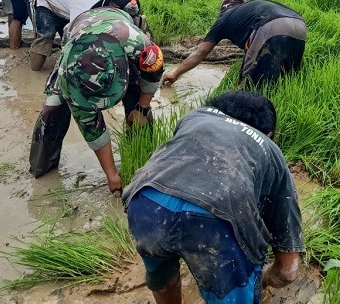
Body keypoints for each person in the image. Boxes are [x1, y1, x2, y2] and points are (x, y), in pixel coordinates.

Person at [123, 91, 303, 304]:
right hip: (213, 223)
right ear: (269, 133)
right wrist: (258, 279)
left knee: (160, 271)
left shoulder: (195, 117)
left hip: (144, 201)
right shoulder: (271, 151)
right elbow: (287, 270)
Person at [29, 8, 164, 189]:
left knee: (137, 97)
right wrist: (112, 175)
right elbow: (92, 129)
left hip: (116, 29)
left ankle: (145, 166)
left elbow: (154, 72)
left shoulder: (135, 41)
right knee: (52, 109)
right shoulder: (68, 78)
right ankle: (42, 168)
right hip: (76, 36)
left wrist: (142, 108)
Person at [163, 0, 307, 87]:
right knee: (288, 77)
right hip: (300, 25)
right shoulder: (249, 10)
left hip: (271, 24)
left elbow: (200, 53)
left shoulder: (224, 19)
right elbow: (250, 52)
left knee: (251, 85)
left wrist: (175, 73)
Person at [27, 0, 144, 70]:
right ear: (114, 8)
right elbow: (71, 34)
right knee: (47, 35)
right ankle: (34, 75)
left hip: (66, 3)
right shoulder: (85, 6)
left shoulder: (108, 0)